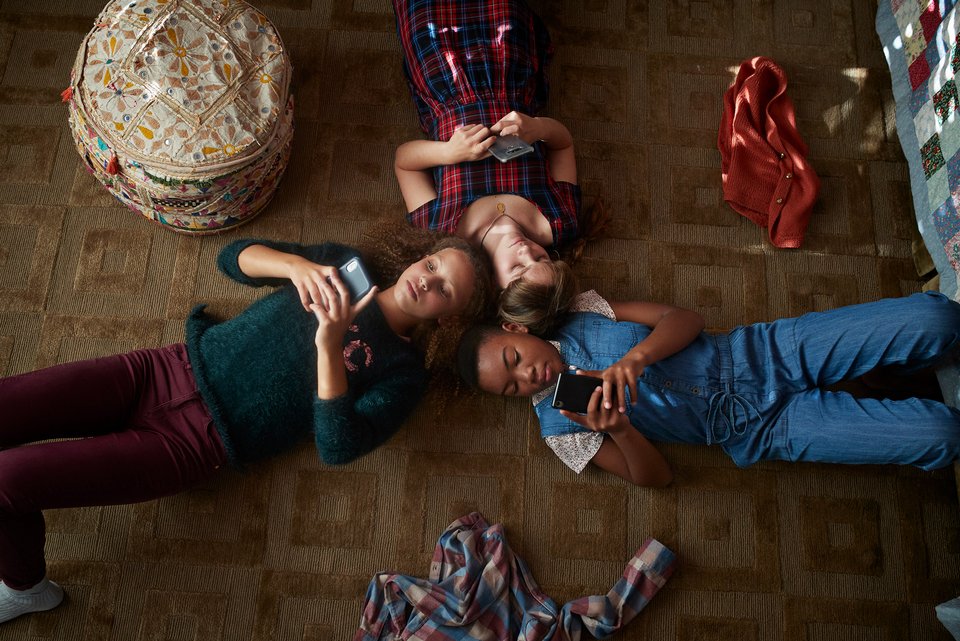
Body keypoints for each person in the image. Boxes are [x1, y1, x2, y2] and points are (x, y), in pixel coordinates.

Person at [0, 231, 492, 624]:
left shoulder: (404, 375)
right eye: (432, 265)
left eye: (444, 289)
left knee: (7, 479)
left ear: (449, 319)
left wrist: (329, 346)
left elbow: (338, 446)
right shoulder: (344, 263)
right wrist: (293, 265)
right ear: (418, 257)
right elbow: (232, 258)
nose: (426, 282)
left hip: (196, 442)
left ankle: (26, 589)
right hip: (164, 368)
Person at [457, 290, 960, 487]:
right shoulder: (559, 431)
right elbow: (657, 480)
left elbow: (687, 320)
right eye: (512, 389)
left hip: (763, 351)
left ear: (516, 331)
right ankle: (887, 383)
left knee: (937, 318)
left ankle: (890, 371)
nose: (527, 378)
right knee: (942, 437)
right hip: (758, 429)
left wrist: (636, 359)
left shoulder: (583, 311)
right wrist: (623, 430)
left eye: (514, 360)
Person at [391, 0, 589, 314]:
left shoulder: (444, 234)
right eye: (540, 259)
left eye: (518, 269)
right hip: (509, 67)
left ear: (496, 284)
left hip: (443, 76)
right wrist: (536, 128)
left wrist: (448, 152)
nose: (526, 251)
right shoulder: (558, 219)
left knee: (423, 10)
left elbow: (404, 162)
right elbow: (563, 144)